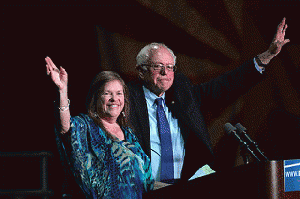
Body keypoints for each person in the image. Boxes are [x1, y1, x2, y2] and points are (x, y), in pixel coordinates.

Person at [127, 18, 290, 184]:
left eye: (170, 67)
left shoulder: (182, 92)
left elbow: (225, 86)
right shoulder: (126, 102)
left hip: (186, 186)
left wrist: (267, 55)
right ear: (142, 71)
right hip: (146, 188)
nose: (165, 72)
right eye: (157, 66)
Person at [45, 57, 154, 198]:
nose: (114, 99)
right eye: (107, 93)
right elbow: (66, 127)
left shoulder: (129, 133)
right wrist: (62, 90)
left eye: (119, 93)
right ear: (96, 98)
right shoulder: (86, 127)